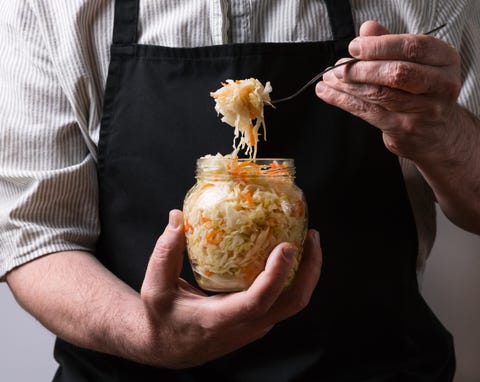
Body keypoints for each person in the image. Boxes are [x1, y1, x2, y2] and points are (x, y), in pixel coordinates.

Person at [1, 0, 479, 381]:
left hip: (373, 367)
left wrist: (443, 135)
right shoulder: (49, 8)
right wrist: (147, 335)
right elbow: (35, 234)